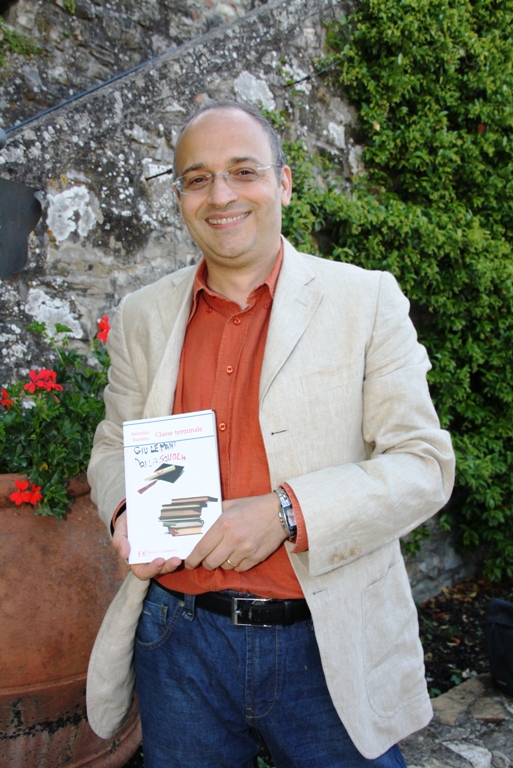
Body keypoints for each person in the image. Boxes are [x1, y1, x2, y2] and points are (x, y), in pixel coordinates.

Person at [86, 100, 455, 768]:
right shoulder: (142, 315)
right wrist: (123, 509)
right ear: (179, 197)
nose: (220, 195)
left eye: (243, 171)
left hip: (325, 640)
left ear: (282, 183)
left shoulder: (365, 299)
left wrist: (288, 511)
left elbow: (422, 464)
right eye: (197, 179)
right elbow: (114, 442)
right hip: (178, 643)